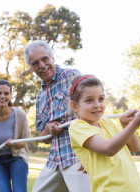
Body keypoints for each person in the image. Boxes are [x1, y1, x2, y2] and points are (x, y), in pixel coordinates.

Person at [68, 75, 140, 192]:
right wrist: (136, 123)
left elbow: (135, 147)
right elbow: (108, 149)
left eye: (101, 99)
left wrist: (125, 124)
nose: (97, 105)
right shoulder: (77, 127)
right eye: (89, 100)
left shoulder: (106, 122)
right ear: (74, 106)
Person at [24, 40, 91, 192]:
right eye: (35, 63)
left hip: (77, 156)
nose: (41, 65)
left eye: (45, 59)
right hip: (55, 161)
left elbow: (91, 111)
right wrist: (48, 128)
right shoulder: (40, 97)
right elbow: (44, 137)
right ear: (31, 68)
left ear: (52, 57)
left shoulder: (71, 76)